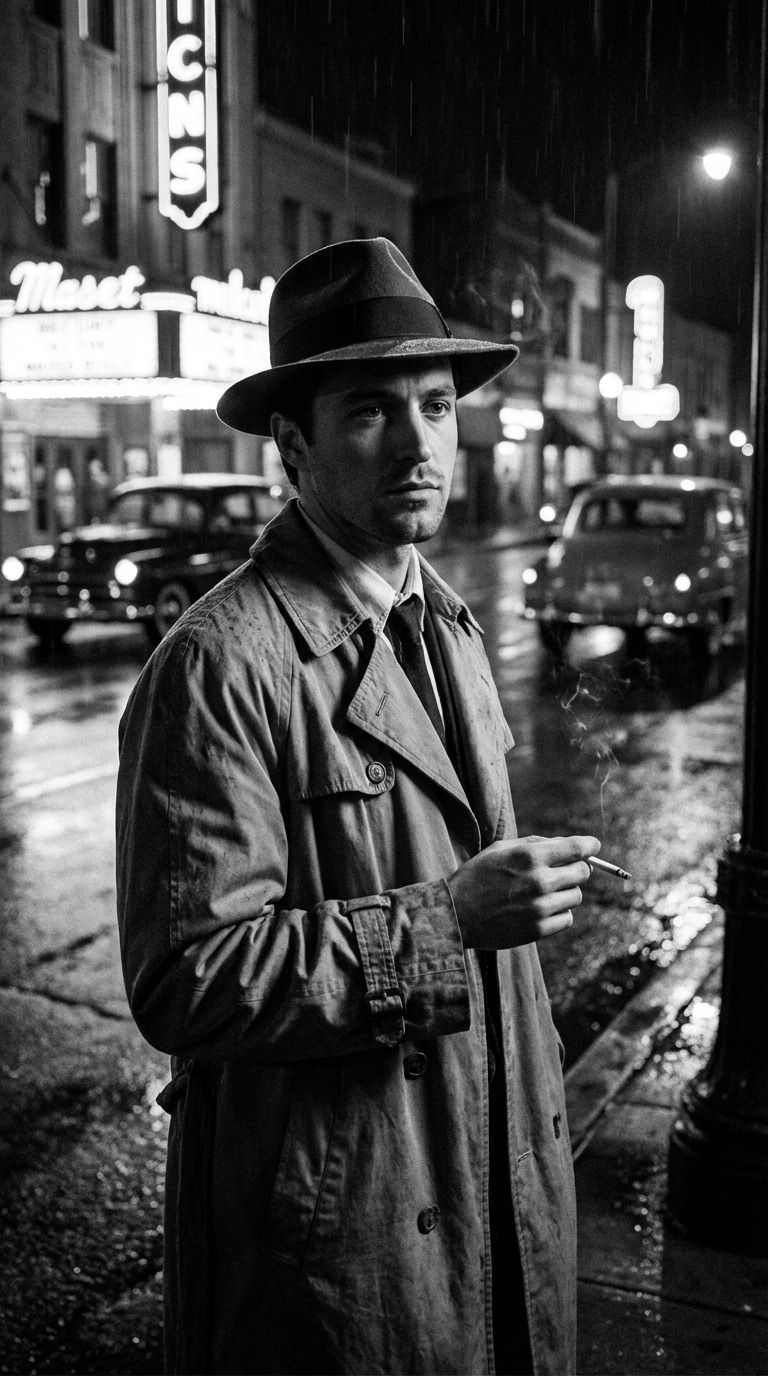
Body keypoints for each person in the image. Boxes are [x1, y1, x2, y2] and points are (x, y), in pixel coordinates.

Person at [115, 237, 599, 1376]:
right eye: (372, 411)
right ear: (294, 445)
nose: (420, 444)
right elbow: (186, 976)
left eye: (437, 406)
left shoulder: (450, 623)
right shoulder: (220, 665)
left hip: (495, 1189)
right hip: (347, 1243)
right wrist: (446, 923)